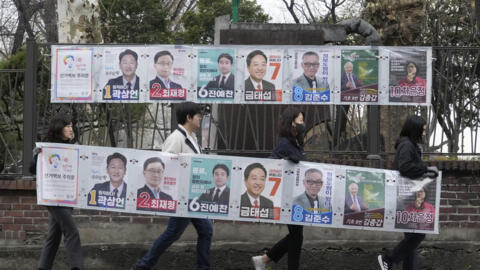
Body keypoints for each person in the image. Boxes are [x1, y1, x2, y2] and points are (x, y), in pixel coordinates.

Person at [133, 102, 213, 270]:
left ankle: (203, 267)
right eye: (198, 115)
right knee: (171, 234)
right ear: (189, 117)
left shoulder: (192, 137)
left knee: (206, 231)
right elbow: (164, 165)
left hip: (192, 195)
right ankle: (143, 266)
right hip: (181, 196)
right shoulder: (176, 138)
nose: (200, 118)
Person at [377, 115, 438, 270]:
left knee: (412, 236)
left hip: (407, 196)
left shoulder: (410, 145)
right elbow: (405, 167)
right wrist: (426, 169)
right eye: (423, 130)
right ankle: (389, 258)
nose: (424, 133)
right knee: (417, 234)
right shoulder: (406, 145)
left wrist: (426, 171)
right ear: (415, 129)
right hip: (404, 197)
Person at [251, 107, 306, 270]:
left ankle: (265, 259)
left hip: (293, 195)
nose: (303, 124)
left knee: (296, 236)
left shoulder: (295, 141)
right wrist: (285, 160)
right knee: (296, 236)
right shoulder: (284, 143)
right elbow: (271, 162)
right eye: (301, 120)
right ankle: (266, 260)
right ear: (292, 123)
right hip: (287, 196)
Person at [30, 113, 83, 270]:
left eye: (71, 126)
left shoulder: (71, 146)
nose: (70, 129)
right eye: (67, 126)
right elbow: (32, 169)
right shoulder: (47, 146)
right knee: (72, 232)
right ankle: (77, 267)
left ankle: (43, 267)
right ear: (59, 128)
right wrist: (36, 156)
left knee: (54, 236)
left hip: (67, 196)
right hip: (53, 197)